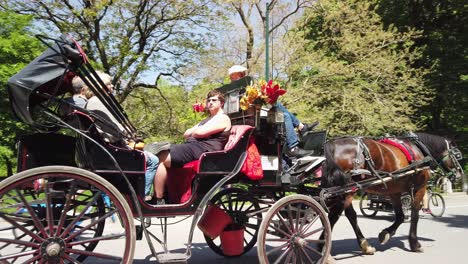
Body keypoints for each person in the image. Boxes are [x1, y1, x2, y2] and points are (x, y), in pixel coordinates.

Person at [79, 72, 159, 201]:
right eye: (109, 84)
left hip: (103, 149)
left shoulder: (92, 101)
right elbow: (115, 129)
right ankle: (142, 197)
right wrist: (129, 137)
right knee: (153, 160)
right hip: (112, 150)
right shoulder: (99, 101)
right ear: (100, 86)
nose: (112, 87)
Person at [153, 90, 231, 205]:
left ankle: (159, 199)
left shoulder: (223, 118)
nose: (210, 103)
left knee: (161, 157)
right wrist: (197, 131)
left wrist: (196, 131)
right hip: (193, 146)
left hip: (204, 150)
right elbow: (186, 133)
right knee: (157, 151)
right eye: (209, 100)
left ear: (222, 103)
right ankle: (164, 196)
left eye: (214, 100)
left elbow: (198, 133)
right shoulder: (207, 120)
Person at [228, 65, 317, 157]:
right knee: (284, 115)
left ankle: (300, 128)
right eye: (240, 73)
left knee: (276, 104)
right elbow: (243, 107)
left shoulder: (240, 88)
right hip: (249, 119)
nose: (243, 75)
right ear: (232, 76)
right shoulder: (234, 90)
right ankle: (295, 142)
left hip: (254, 116)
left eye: (243, 73)